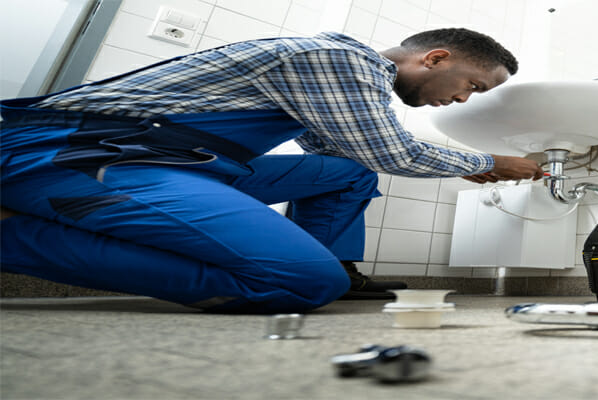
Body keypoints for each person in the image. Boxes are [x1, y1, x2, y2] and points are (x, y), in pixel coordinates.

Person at [0, 28, 543, 313]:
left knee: (345, 173)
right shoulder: (342, 60)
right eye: (473, 85)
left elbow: (352, 152)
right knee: (300, 282)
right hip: (83, 156)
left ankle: (340, 275)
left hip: (186, 162)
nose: (462, 100)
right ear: (436, 58)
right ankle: (12, 235)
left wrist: (461, 164)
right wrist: (489, 161)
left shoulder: (334, 73)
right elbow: (392, 151)